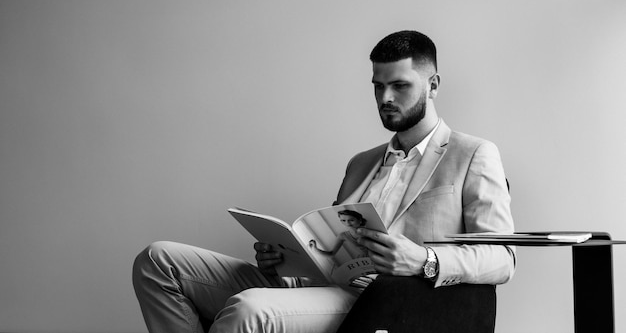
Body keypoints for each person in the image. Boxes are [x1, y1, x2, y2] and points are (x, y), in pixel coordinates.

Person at [132, 30, 516, 333]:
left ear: (432, 85)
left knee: (250, 310)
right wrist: (285, 257)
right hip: (314, 285)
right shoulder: (361, 163)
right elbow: (332, 249)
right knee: (157, 260)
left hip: (377, 299)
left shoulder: (473, 154)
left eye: (400, 86)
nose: (385, 97)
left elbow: (502, 258)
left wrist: (424, 259)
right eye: (377, 86)